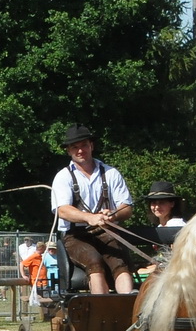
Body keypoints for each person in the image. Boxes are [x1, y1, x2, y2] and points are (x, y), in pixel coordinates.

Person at [50, 124, 136, 295]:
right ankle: (101, 311)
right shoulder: (63, 177)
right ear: (68, 151)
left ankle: (128, 305)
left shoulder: (111, 173)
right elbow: (63, 210)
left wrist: (113, 214)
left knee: (120, 263)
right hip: (76, 236)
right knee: (94, 262)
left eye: (84, 145)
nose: (80, 150)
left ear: (91, 146)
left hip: (107, 231)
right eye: (75, 147)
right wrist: (89, 218)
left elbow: (127, 207)